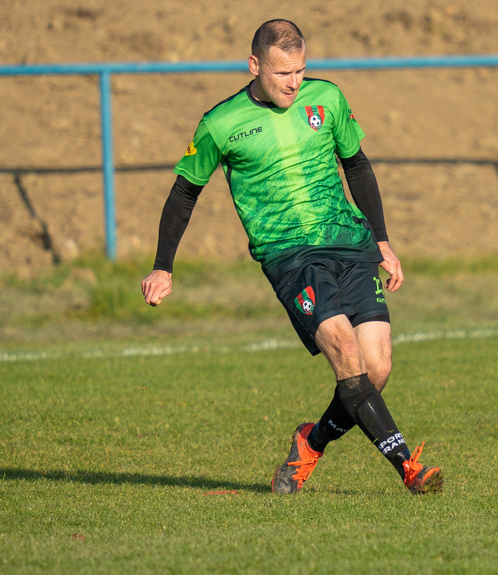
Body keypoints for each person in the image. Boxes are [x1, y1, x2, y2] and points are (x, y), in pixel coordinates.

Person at [140, 19, 442, 495]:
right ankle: (408, 467)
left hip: (350, 243)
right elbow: (183, 195)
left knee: (376, 369)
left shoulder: (328, 99)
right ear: (255, 65)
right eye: (282, 73)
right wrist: (163, 265)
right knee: (345, 352)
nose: (293, 82)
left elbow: (357, 165)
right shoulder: (220, 124)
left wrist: (382, 240)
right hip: (290, 256)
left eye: (300, 70)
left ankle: (310, 442)